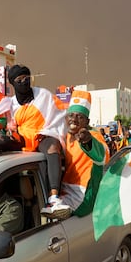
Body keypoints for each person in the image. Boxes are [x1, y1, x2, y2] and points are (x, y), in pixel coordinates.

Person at [0, 64, 68, 213]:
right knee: (3, 141)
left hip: (43, 135)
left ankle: (53, 198)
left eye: (26, 78)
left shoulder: (44, 95)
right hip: (22, 138)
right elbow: (8, 124)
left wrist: (47, 132)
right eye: (19, 79)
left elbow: (58, 117)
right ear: (12, 83)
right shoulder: (10, 103)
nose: (24, 82)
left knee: (52, 148)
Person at [44, 90, 110, 219]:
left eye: (79, 117)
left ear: (87, 121)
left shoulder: (94, 135)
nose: (74, 119)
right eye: (71, 115)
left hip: (83, 195)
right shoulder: (65, 136)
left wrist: (88, 141)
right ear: (66, 118)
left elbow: (103, 155)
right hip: (63, 191)